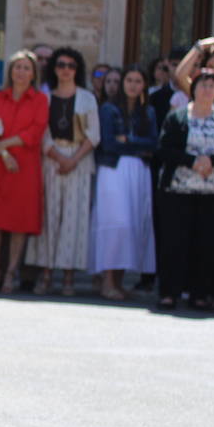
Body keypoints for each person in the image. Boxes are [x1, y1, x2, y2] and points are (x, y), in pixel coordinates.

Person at [0, 51, 50, 293]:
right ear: (10, 71)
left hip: (23, 167)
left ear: (34, 73)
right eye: (17, 67)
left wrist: (4, 145)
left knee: (18, 222)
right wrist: (2, 151)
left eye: (27, 68)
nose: (21, 72)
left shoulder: (40, 100)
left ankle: (11, 272)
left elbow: (35, 132)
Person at [25, 46, 99, 296]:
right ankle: (45, 275)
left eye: (71, 66)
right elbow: (40, 132)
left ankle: (68, 278)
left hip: (79, 162)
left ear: (77, 70)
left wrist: (73, 160)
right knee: (49, 217)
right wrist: (58, 157)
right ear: (54, 68)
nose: (65, 70)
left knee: (74, 219)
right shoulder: (44, 98)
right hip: (51, 161)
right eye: (61, 65)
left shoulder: (87, 98)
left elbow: (94, 135)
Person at [155, 68, 214, 310]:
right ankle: (169, 292)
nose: (207, 89)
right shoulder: (178, 117)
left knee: (206, 244)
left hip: (211, 193)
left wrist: (211, 162)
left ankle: (199, 294)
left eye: (212, 85)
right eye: (203, 84)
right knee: (174, 242)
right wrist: (192, 161)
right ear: (193, 89)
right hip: (177, 190)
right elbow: (164, 149)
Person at [92, 65, 157, 300]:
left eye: (138, 81)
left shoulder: (147, 112)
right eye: (129, 80)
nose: (132, 85)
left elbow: (153, 143)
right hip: (113, 170)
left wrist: (128, 139)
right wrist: (136, 143)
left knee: (132, 225)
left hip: (139, 172)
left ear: (144, 85)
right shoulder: (108, 109)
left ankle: (118, 282)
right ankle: (107, 281)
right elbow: (109, 144)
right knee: (116, 223)